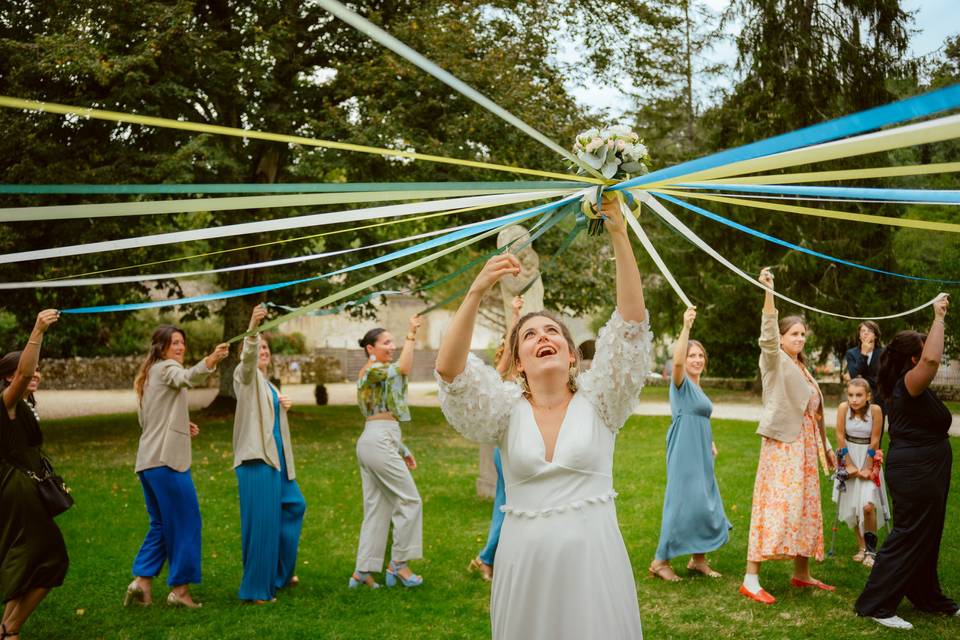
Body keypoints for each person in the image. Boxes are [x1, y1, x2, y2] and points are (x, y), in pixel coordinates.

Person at [435, 197, 649, 639]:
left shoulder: (601, 399)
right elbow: (450, 370)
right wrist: (475, 291)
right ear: (517, 360)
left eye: (552, 330)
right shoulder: (503, 411)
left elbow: (630, 323)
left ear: (571, 354)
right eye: (529, 335)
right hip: (524, 571)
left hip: (594, 566)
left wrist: (619, 234)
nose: (542, 336)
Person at [855, 295, 958, 630]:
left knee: (926, 536)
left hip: (926, 469)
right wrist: (938, 317)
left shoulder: (907, 385)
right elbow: (930, 362)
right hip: (916, 472)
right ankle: (876, 605)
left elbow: (927, 359)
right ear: (913, 357)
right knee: (909, 534)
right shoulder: (909, 384)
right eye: (924, 348)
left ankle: (926, 597)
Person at [739, 267, 836, 605]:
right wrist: (770, 292)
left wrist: (825, 446)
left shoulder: (804, 368)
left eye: (803, 335)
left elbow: (815, 412)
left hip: (806, 447)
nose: (799, 339)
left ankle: (802, 572)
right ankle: (751, 578)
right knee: (775, 507)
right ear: (781, 338)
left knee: (806, 507)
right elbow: (766, 332)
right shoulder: (774, 360)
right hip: (783, 446)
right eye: (794, 334)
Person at [125, 327, 229, 609]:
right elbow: (185, 378)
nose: (180, 347)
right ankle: (180, 591)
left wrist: (181, 426)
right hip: (167, 462)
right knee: (187, 522)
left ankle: (142, 582)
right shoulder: (168, 367)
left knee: (160, 524)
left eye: (183, 342)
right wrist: (211, 361)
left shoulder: (149, 374)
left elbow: (150, 420)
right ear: (161, 347)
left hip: (147, 463)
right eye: (175, 343)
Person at [649, 307, 730, 582]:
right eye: (691, 355)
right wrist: (686, 327)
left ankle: (698, 559)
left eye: (700, 355)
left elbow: (699, 415)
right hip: (684, 447)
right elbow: (678, 363)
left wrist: (711, 442)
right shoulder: (680, 381)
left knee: (704, 499)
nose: (696, 360)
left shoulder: (698, 385)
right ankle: (661, 561)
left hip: (701, 447)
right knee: (681, 500)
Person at [232, 305, 307, 603]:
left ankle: (280, 572)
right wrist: (253, 327)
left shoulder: (268, 385)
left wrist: (280, 403)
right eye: (258, 346)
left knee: (294, 505)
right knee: (261, 524)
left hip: (279, 461)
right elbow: (248, 360)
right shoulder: (244, 375)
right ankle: (255, 590)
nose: (263, 351)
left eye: (266, 347)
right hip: (257, 460)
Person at [1, 310, 65, 640]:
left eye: (39, 370)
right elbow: (24, 371)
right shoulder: (7, 403)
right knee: (53, 557)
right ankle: (11, 629)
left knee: (28, 558)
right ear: (9, 378)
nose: (33, 374)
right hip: (18, 492)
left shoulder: (24, 406)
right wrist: (37, 329)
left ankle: (6, 627)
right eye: (25, 373)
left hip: (25, 490)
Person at [350, 315, 423, 589]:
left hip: (379, 440)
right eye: (386, 342)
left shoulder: (380, 371)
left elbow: (384, 411)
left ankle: (363, 571)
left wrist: (402, 448)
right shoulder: (371, 371)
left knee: (378, 508)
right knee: (410, 500)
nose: (391, 346)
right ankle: (399, 565)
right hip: (376, 441)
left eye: (393, 341)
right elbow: (404, 367)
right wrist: (411, 333)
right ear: (370, 348)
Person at [468, 295, 523, 583]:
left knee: (508, 503)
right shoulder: (505, 373)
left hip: (519, 448)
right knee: (509, 504)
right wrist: (515, 315)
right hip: (508, 450)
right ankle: (487, 557)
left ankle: (492, 558)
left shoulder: (525, 374)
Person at [831, 377, 888, 568]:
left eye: (859, 395)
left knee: (867, 506)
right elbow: (839, 436)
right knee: (853, 507)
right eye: (851, 395)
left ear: (868, 396)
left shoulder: (876, 411)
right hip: (848, 456)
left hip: (867, 458)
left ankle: (872, 551)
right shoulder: (842, 409)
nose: (854, 399)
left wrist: (868, 467)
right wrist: (849, 466)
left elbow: (875, 440)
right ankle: (861, 547)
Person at [842, 321, 883, 400]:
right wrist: (864, 354)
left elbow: (883, 379)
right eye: (863, 331)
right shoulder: (851, 353)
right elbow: (854, 376)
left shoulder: (883, 353)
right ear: (859, 336)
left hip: (879, 398)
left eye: (870, 331)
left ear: (875, 336)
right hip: (858, 398)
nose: (866, 333)